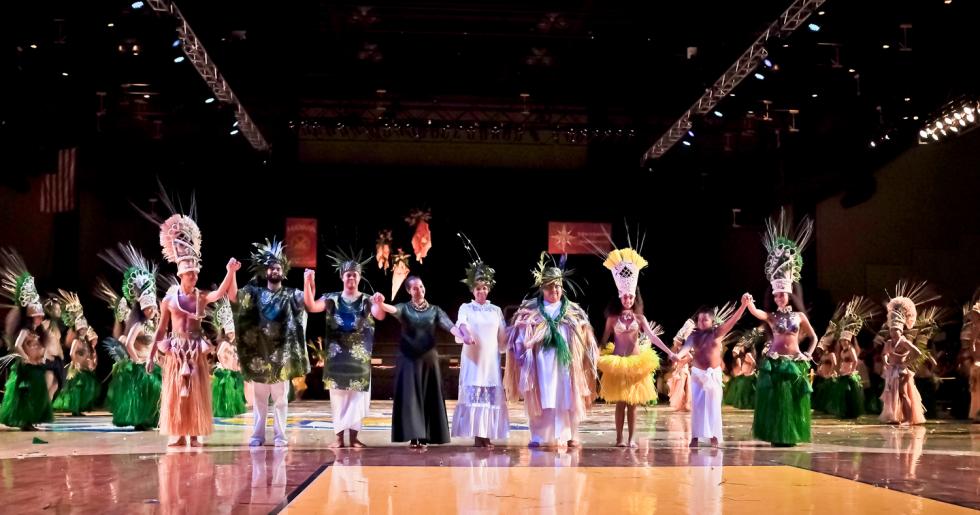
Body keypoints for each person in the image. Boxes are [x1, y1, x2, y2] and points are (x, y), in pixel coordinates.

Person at [147, 202, 241, 447]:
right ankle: (177, 432)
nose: (194, 277)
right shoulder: (169, 299)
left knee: (196, 391)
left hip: (195, 348)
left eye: (196, 274)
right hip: (176, 349)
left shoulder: (200, 297)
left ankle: (193, 432)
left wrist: (230, 272)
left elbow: (220, 293)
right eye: (190, 274)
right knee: (176, 391)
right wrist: (150, 355)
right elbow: (160, 329)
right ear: (181, 275)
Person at [503, 253, 599, 449]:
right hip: (541, 363)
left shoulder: (573, 311)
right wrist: (522, 334)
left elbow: (585, 335)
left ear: (562, 288)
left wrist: (584, 333)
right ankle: (538, 436)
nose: (554, 290)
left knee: (567, 396)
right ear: (542, 288)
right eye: (549, 286)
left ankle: (570, 435)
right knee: (541, 396)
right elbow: (518, 336)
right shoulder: (531, 310)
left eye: (557, 286)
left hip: (566, 362)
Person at [745, 209, 819, 446]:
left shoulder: (798, 316)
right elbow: (757, 313)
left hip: (795, 360)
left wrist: (807, 353)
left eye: (783, 295)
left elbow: (814, 337)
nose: (779, 298)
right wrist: (749, 303)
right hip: (775, 361)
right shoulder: (772, 316)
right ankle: (776, 433)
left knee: (794, 400)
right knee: (776, 400)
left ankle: (791, 433)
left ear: (789, 295)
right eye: (776, 295)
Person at [595, 245, 676, 447]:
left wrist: (669, 352)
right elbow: (604, 340)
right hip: (618, 362)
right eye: (624, 296)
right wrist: (594, 354)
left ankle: (631, 438)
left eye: (631, 296)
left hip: (636, 362)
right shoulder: (612, 318)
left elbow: (653, 337)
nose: (628, 299)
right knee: (620, 403)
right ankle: (619, 438)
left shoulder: (640, 318)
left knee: (633, 404)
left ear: (635, 297)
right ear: (619, 296)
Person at [303, 248, 382, 448]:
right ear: (342, 277)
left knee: (357, 399)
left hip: (359, 358)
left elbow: (379, 315)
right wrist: (308, 283)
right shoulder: (332, 298)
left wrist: (379, 303)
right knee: (338, 399)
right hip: (337, 358)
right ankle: (338, 438)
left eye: (355, 275)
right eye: (348, 275)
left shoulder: (367, 299)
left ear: (360, 277)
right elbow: (311, 307)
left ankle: (354, 439)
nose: (351, 278)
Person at [235, 238, 309, 448]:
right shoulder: (255, 293)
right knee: (259, 400)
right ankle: (257, 436)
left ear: (283, 273)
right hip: (260, 354)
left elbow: (310, 303)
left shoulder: (292, 294)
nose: (275, 271)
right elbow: (233, 297)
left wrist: (308, 282)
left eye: (278, 268)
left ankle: (280, 436)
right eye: (271, 268)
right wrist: (231, 273)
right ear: (265, 272)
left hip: (282, 356)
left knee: (281, 400)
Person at [375, 276, 462, 447]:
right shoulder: (405, 309)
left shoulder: (435, 310)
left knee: (428, 395)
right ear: (409, 291)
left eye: (421, 287)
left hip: (429, 359)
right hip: (408, 359)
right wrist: (381, 303)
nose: (419, 290)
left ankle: (426, 436)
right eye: (415, 288)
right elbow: (392, 309)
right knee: (411, 397)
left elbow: (448, 325)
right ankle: (414, 436)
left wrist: (463, 336)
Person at [450, 236, 509, 448]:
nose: (481, 291)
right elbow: (462, 323)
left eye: (484, 288)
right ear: (472, 290)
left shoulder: (496, 310)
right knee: (475, 395)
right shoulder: (466, 307)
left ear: (489, 289)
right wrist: (466, 334)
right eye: (478, 288)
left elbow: (503, 336)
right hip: (473, 358)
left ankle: (488, 434)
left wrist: (519, 330)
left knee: (490, 396)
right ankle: (478, 435)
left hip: (490, 361)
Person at [675, 301, 747, 447]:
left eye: (705, 320)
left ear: (712, 321)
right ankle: (694, 437)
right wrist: (678, 356)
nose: (702, 322)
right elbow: (685, 348)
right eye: (700, 320)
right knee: (697, 406)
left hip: (713, 374)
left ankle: (714, 436)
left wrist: (744, 305)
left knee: (714, 406)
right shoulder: (693, 336)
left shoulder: (717, 332)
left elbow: (733, 320)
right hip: (697, 375)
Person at [0, 249, 53, 430]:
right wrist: (25, 358)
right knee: (26, 394)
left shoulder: (39, 331)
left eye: (40, 316)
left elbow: (43, 345)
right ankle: (25, 421)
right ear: (30, 317)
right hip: (27, 368)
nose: (39, 319)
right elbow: (16, 345)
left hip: (37, 366)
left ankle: (32, 420)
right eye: (37, 317)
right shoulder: (25, 330)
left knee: (38, 394)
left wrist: (42, 356)